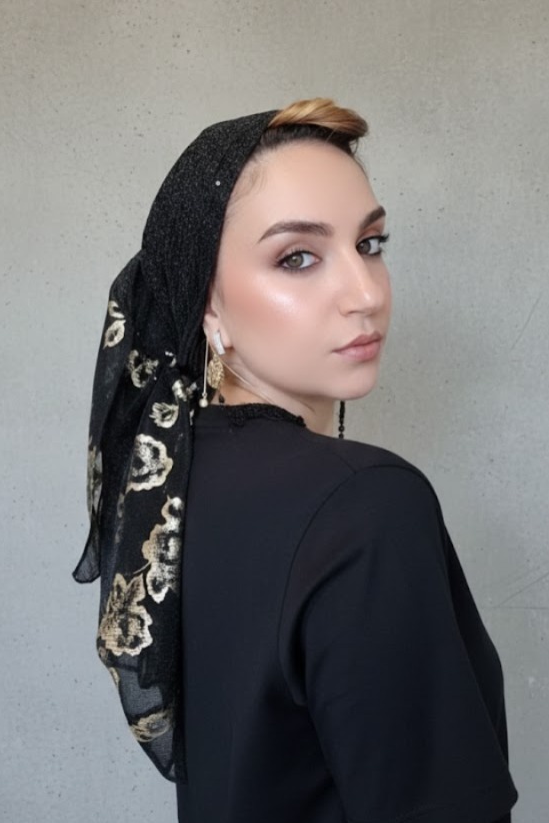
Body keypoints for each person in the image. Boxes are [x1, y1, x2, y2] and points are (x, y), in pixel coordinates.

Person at [73, 98, 519, 823]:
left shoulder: (172, 487)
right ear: (207, 304)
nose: (365, 293)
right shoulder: (364, 505)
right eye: (297, 257)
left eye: (369, 244)